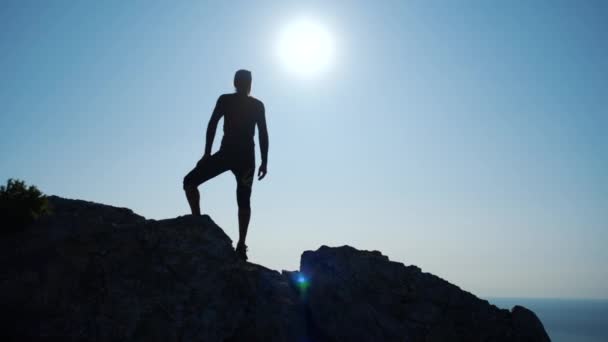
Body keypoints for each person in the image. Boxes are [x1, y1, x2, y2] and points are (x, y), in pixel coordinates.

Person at [183, 69, 269, 261]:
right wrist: (264, 161)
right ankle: (240, 244)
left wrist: (207, 153)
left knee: (189, 182)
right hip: (244, 158)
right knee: (243, 200)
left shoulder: (228, 100)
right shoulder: (255, 105)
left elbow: (212, 124)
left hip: (230, 155)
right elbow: (263, 134)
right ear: (250, 83)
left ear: (235, 82)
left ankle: (201, 223)